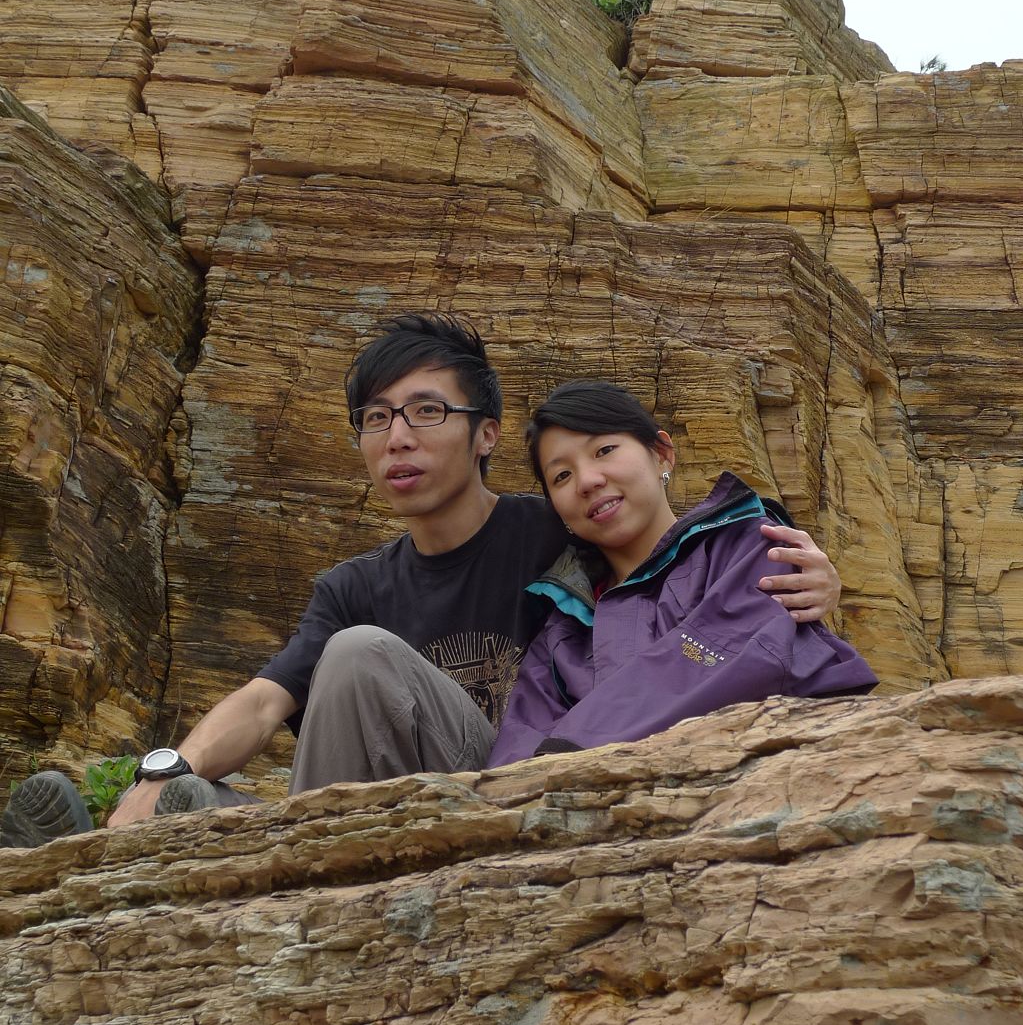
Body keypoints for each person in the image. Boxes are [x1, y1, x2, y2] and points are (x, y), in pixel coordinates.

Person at [1, 316, 844, 846]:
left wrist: (811, 586)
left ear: (487, 435)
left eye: (427, 411)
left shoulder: (559, 530)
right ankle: (109, 849)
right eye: (376, 419)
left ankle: (231, 852)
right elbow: (261, 703)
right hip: (399, 804)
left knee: (360, 656)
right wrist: (156, 774)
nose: (398, 437)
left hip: (505, 782)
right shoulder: (354, 585)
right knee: (196, 790)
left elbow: (666, 563)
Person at [489, 381, 876, 765]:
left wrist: (573, 751)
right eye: (562, 476)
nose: (588, 481)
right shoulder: (565, 628)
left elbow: (737, 659)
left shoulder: (747, 545)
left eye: (604, 450)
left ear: (662, 454)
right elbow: (520, 743)